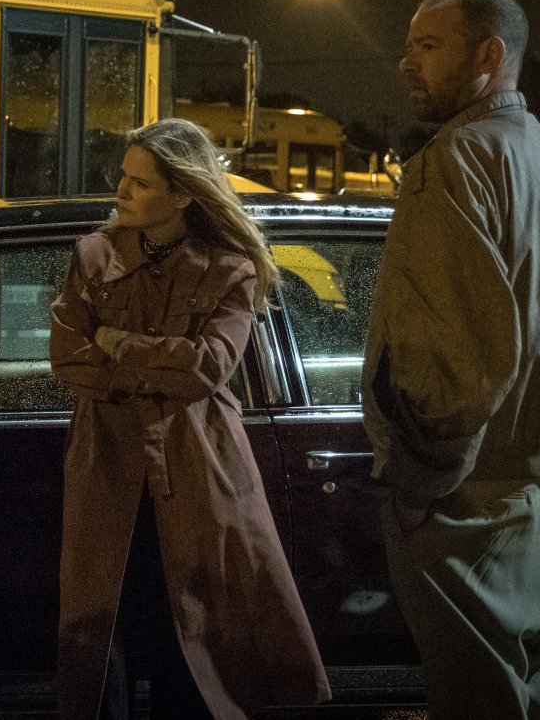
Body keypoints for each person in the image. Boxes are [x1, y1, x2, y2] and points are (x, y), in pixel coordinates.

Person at [50, 118, 331, 719]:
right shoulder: (94, 256)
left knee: (196, 634)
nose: (122, 192)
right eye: (123, 177)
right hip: (108, 466)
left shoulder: (229, 268)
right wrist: (159, 364)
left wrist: (117, 342)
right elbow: (69, 358)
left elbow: (208, 369)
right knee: (105, 629)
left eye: (141, 183)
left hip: (197, 468)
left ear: (182, 193)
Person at [362, 0, 540, 718]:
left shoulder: (454, 159)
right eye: (409, 45)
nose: (406, 63)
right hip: (527, 490)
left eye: (428, 46)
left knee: (476, 696)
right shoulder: (535, 148)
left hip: (465, 499)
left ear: (488, 55)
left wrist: (417, 482)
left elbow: (453, 354)